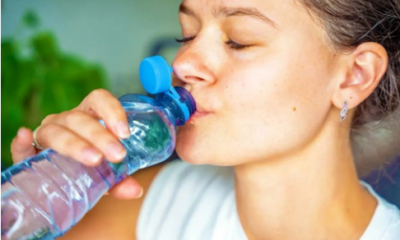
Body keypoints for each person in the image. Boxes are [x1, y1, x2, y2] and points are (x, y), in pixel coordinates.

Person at [10, 0, 400, 239]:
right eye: (187, 35)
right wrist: (39, 194)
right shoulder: (156, 202)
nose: (183, 64)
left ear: (355, 76)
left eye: (239, 40)